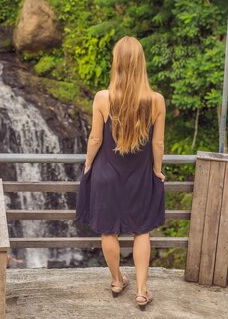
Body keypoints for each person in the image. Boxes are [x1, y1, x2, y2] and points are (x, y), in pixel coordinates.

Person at [76, 36, 166, 310]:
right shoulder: (156, 101)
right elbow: (158, 143)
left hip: (106, 175)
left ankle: (117, 281)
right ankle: (141, 291)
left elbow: (95, 139)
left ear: (116, 63)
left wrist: (88, 164)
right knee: (142, 231)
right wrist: (157, 171)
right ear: (141, 64)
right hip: (140, 176)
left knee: (107, 232)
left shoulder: (103, 98)